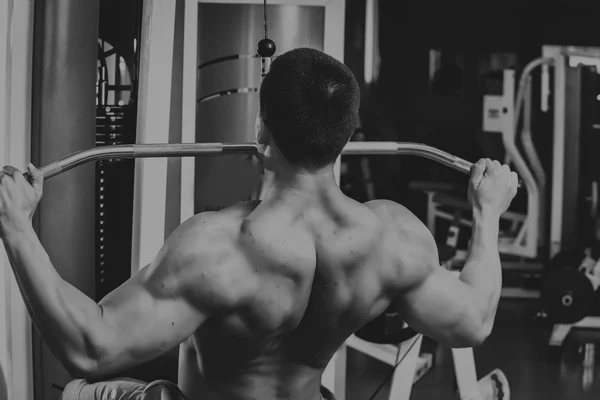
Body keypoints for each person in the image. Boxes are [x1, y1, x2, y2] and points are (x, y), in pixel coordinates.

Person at [0, 48, 518, 400]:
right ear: (346, 135)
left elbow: (91, 348)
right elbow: (473, 321)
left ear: (260, 132)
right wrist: (487, 213)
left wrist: (17, 225)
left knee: (80, 392)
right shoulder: (394, 239)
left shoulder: (217, 248)